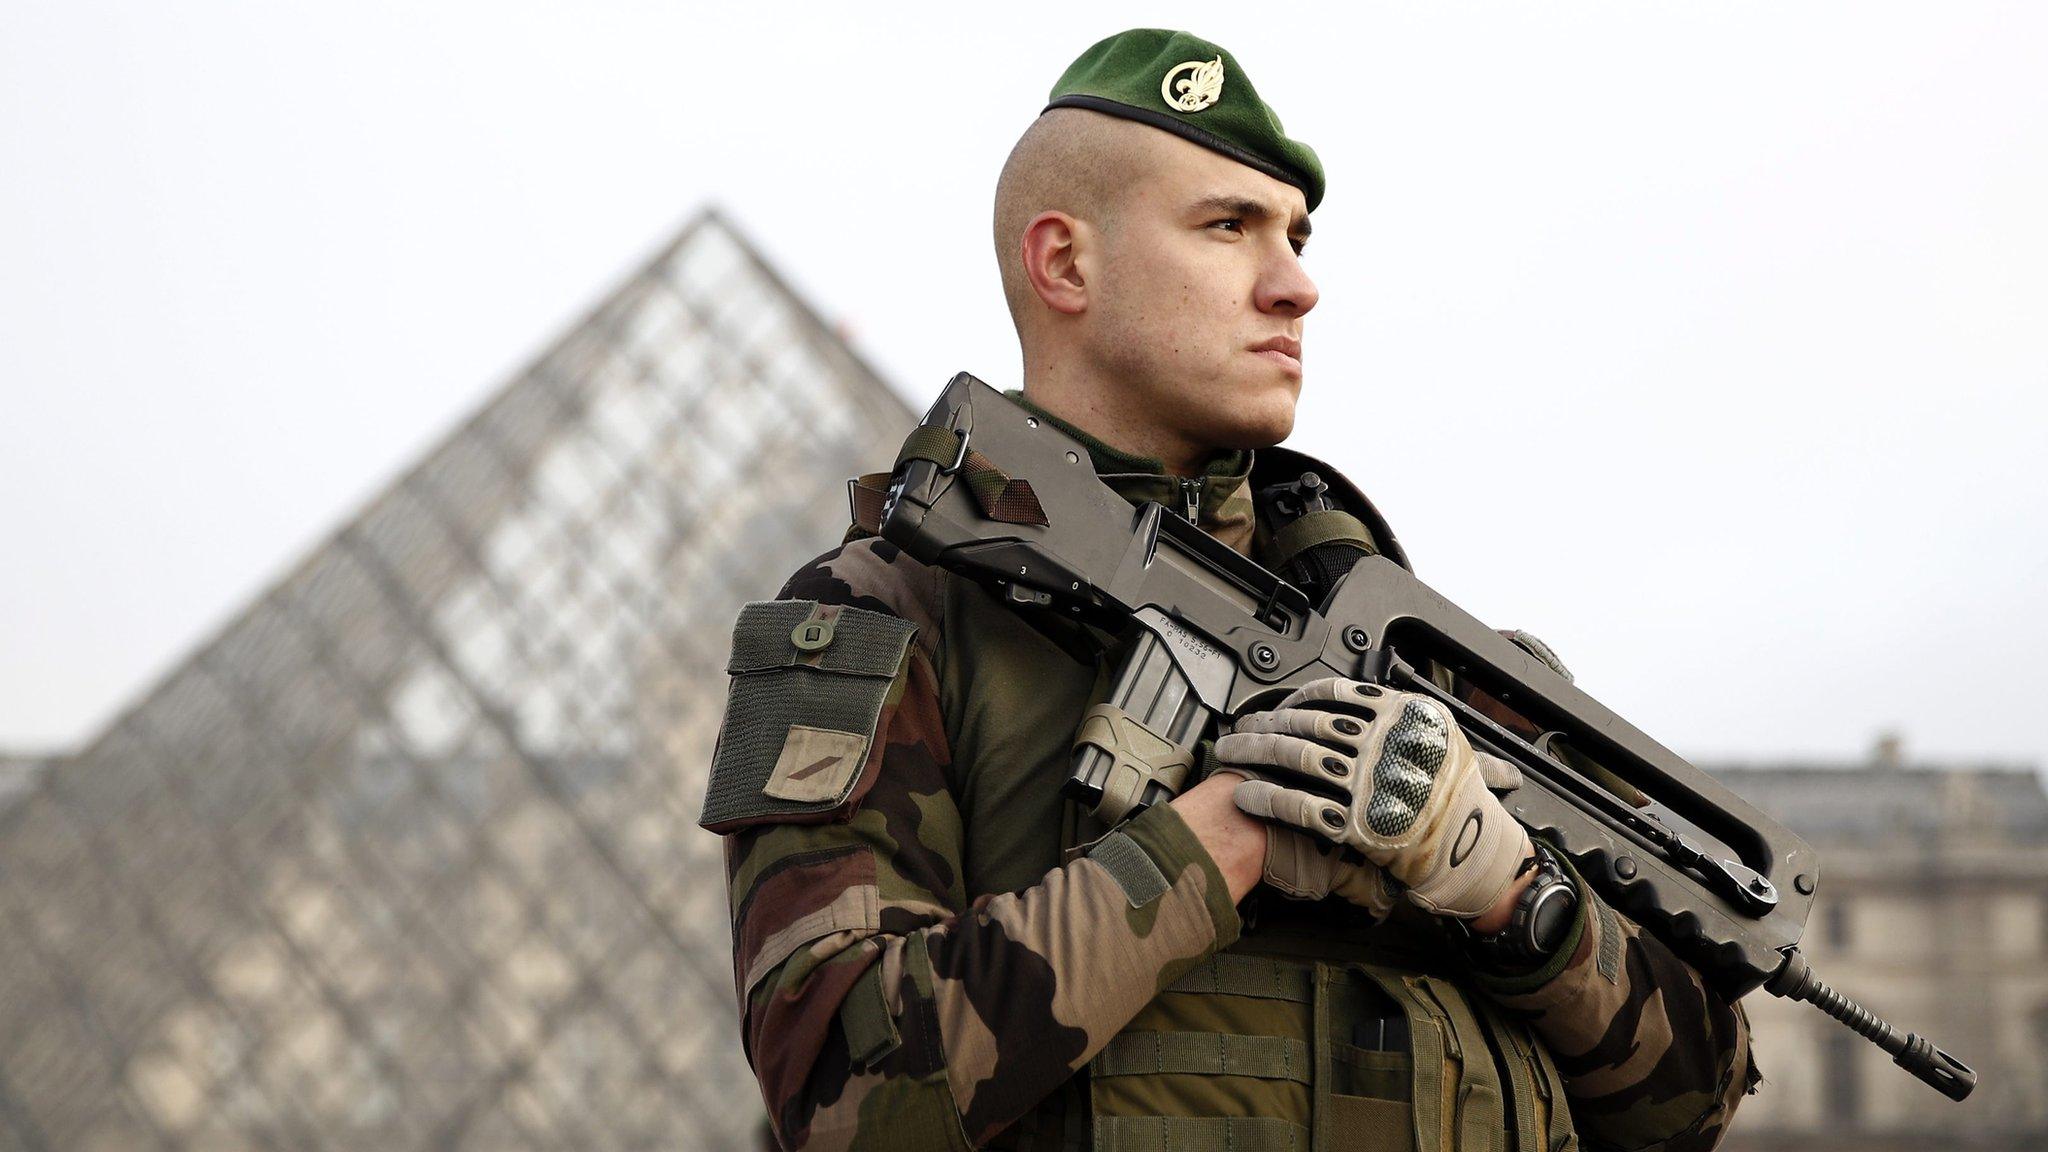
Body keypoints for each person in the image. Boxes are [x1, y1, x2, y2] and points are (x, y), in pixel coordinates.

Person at [701, 28, 1758, 1152]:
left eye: (1295, 238)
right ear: (1063, 264)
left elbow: (1696, 1098)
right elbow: (848, 1097)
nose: (1296, 286)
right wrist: (1224, 842)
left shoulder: (1442, 670)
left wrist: (1507, 893)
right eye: (1226, 227)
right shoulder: (878, 620)